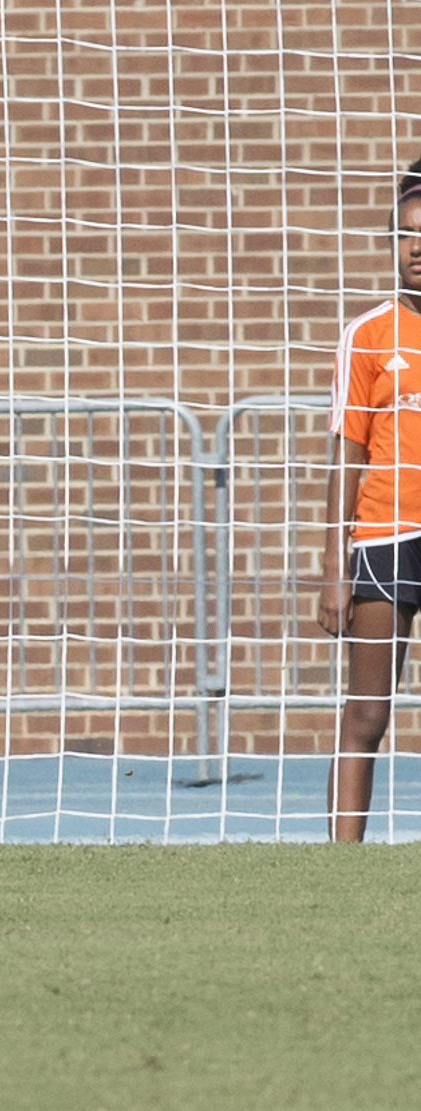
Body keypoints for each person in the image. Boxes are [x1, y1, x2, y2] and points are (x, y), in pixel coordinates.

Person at [316, 155, 421, 843]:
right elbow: (346, 457)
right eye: (407, 234)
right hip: (386, 537)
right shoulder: (368, 335)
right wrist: (336, 567)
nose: (417, 248)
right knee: (368, 712)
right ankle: (340, 867)